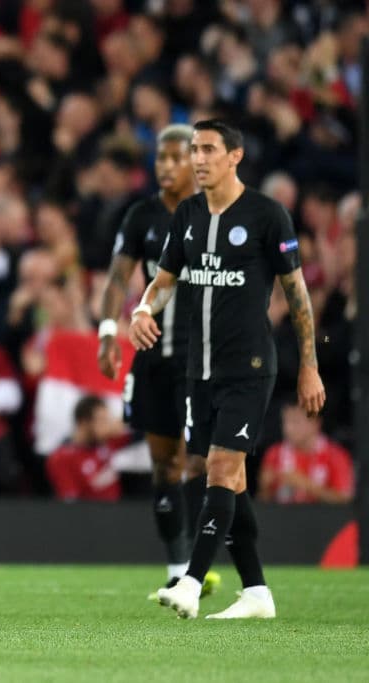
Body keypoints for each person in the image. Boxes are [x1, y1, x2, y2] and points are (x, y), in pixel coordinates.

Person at [130, 119, 326, 619]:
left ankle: (191, 581)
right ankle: (257, 592)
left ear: (234, 157)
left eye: (209, 150)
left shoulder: (267, 215)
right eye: (194, 149)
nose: (198, 159)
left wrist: (310, 366)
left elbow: (297, 294)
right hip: (200, 368)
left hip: (250, 367)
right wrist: (141, 310)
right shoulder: (189, 215)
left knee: (220, 467)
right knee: (226, 480)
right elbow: (165, 279)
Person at [97, 124, 215, 596]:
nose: (165, 167)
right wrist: (108, 332)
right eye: (160, 159)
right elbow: (116, 278)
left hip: (200, 355)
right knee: (163, 464)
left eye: (175, 158)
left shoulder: (214, 213)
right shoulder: (141, 215)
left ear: (195, 162)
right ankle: (177, 567)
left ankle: (197, 566)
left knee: (198, 460)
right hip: (150, 356)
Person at [258, 397, 354, 504]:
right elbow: (263, 503)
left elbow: (346, 501)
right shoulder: (274, 453)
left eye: (295, 421)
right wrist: (265, 488)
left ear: (315, 423)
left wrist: (305, 485)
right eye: (285, 421)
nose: (288, 428)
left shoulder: (336, 455)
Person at [46, 395, 127, 502]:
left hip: (119, 512)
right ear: (84, 423)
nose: (108, 427)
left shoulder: (109, 443)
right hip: (91, 515)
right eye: (102, 421)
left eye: (108, 420)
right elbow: (71, 504)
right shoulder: (61, 459)